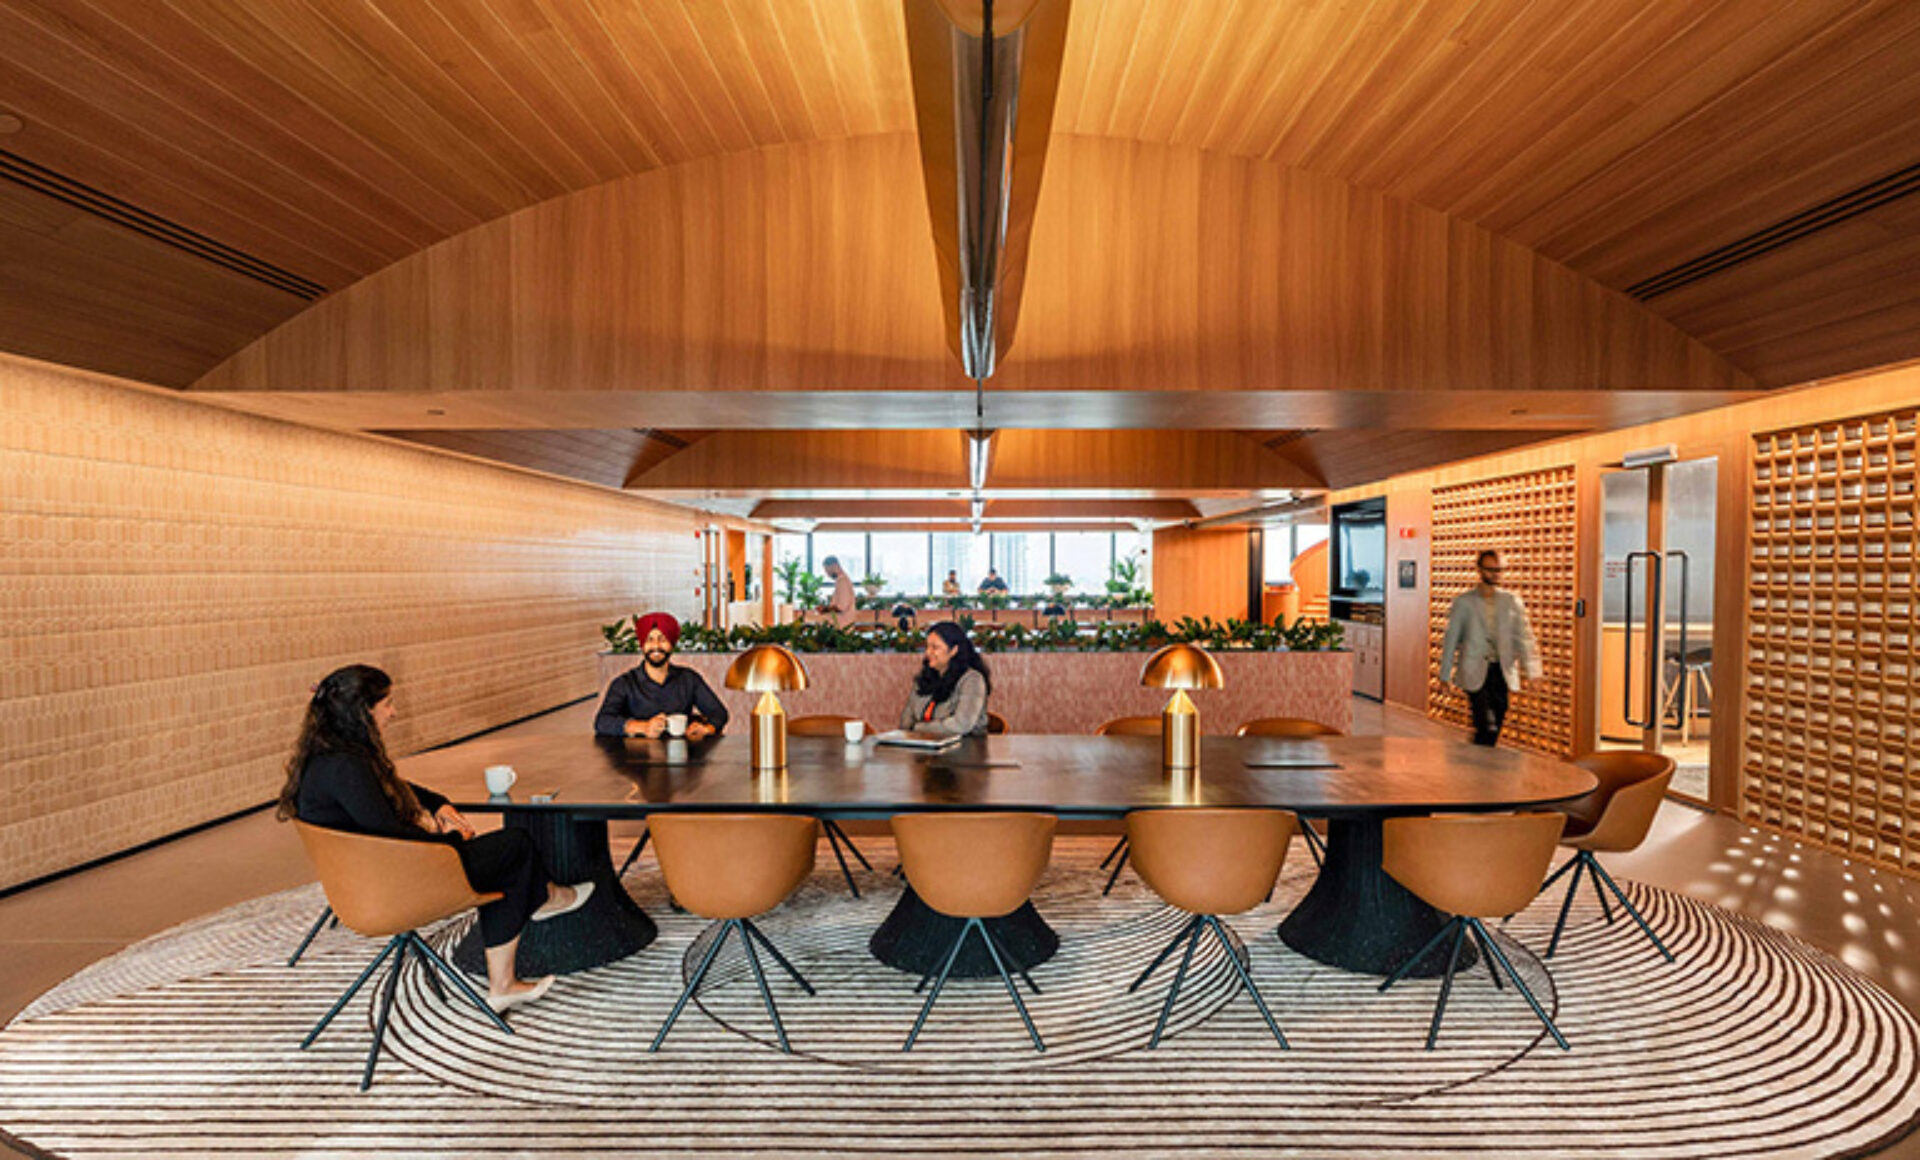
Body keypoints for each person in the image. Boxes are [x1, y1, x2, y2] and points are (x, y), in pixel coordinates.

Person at [279, 664, 592, 1012]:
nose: (394, 713)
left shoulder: (327, 757)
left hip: (363, 881)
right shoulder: (346, 767)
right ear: (363, 711)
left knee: (510, 857)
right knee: (516, 846)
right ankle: (540, 908)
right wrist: (448, 840)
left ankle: (541, 905)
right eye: (387, 704)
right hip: (396, 885)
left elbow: (388, 791)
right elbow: (390, 832)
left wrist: (437, 803)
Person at [1439, 548, 1542, 746]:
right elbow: (1451, 639)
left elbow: (1525, 637)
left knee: (1499, 716)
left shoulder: (1512, 601)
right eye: (1491, 570)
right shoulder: (1464, 603)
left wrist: (1533, 671)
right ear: (1479, 570)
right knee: (1486, 724)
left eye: (1499, 570)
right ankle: (1481, 768)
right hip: (1474, 669)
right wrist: (1445, 675)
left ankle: (1477, 759)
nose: (1496, 574)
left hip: (1501, 670)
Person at [594, 612, 729, 739]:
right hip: (636, 760)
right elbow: (602, 722)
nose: (656, 646)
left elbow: (719, 713)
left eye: (662, 639)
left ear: (672, 644)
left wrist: (707, 729)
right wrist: (643, 727)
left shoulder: (688, 679)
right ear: (642, 645)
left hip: (682, 759)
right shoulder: (624, 683)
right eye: (650, 640)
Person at [898, 621, 992, 737]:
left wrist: (918, 728)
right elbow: (906, 722)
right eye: (927, 647)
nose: (928, 652)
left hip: (965, 750)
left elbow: (961, 725)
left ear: (953, 650)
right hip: (924, 748)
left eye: (935, 647)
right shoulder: (925, 677)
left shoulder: (972, 680)